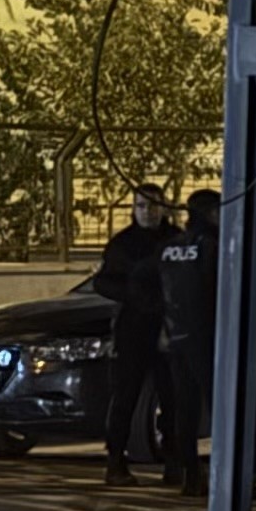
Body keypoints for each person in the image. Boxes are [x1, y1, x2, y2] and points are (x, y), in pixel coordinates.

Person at [88, 183, 173, 487]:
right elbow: (103, 282)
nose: (148, 212)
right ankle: (116, 462)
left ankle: (175, 463)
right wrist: (134, 294)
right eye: (141, 206)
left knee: (173, 398)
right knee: (125, 397)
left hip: (168, 330)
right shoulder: (122, 245)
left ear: (164, 207)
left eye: (153, 205)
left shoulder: (175, 240)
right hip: (134, 329)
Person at [158, 188, 222, 492]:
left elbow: (148, 283)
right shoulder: (213, 246)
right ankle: (224, 475)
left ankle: (190, 474)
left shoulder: (170, 247)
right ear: (211, 213)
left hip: (176, 337)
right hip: (208, 338)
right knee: (219, 407)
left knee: (185, 408)